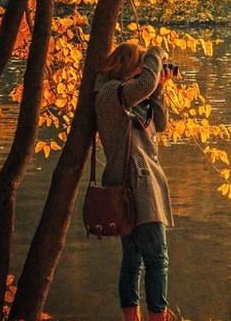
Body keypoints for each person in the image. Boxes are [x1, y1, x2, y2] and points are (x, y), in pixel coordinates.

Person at [95, 41, 175, 321]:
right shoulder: (110, 93)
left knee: (135, 259)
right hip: (133, 185)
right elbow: (145, 83)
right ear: (130, 65)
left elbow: (162, 124)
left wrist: (160, 89)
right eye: (141, 64)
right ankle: (156, 318)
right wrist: (156, 52)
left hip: (141, 183)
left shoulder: (131, 97)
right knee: (157, 259)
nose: (145, 71)